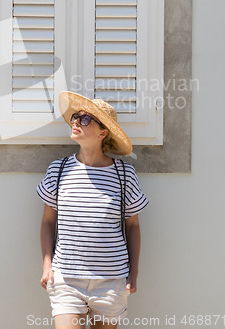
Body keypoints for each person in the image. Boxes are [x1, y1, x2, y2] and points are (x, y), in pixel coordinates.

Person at [36, 91, 148, 329]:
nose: (76, 121)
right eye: (76, 116)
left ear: (102, 132)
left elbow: (133, 226)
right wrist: (47, 265)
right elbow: (47, 222)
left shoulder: (124, 175)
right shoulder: (58, 170)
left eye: (85, 119)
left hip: (112, 281)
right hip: (65, 280)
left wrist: (133, 274)